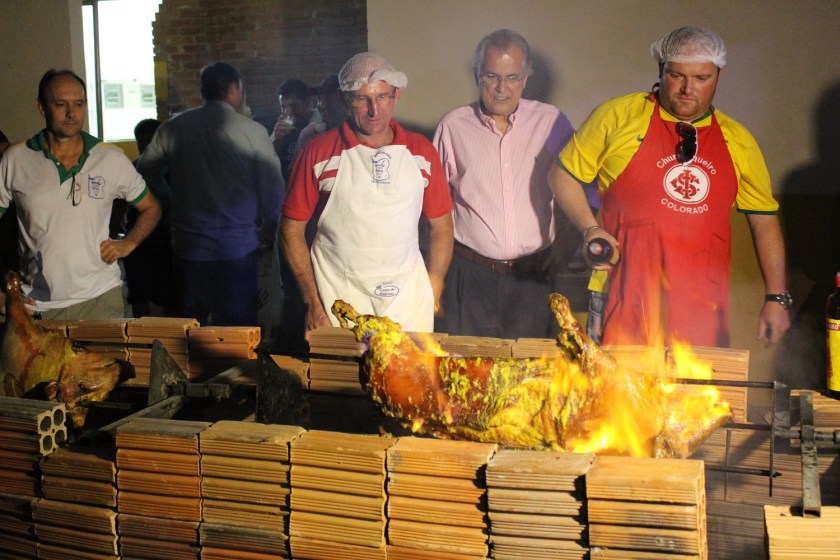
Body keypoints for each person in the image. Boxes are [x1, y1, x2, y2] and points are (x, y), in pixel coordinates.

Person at [549, 26, 791, 347]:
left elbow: (763, 219)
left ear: (719, 75)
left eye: (702, 78)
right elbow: (561, 175)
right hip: (621, 292)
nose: (688, 89)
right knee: (613, 394)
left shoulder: (738, 141)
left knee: (695, 395)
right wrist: (589, 228)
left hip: (702, 305)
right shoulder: (618, 116)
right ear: (661, 70)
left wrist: (777, 297)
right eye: (677, 76)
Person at [280, 52, 454, 336]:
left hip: (406, 300)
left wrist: (434, 282)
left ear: (396, 95)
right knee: (343, 378)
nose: (375, 110)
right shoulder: (318, 152)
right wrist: (312, 301)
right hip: (339, 297)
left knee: (407, 379)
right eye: (362, 99)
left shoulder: (421, 152)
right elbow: (290, 229)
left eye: (383, 96)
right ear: (344, 99)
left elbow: (442, 226)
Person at [433, 29, 578, 339]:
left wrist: (567, 243)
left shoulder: (552, 122)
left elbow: (583, 187)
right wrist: (436, 276)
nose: (501, 88)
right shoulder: (452, 127)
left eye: (512, 77)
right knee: (470, 374)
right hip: (469, 276)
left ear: (525, 78)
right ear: (476, 75)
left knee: (532, 377)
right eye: (491, 76)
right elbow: (432, 209)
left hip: (533, 277)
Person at [0, 69, 161, 320]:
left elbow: (151, 207)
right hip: (37, 305)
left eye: (78, 104)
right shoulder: (16, 159)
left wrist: (128, 243)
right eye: (60, 104)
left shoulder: (110, 158)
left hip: (100, 298)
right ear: (41, 107)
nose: (71, 113)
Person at [136, 62, 285, 327]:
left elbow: (144, 173)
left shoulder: (175, 127)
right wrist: (269, 228)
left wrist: (169, 199)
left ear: (202, 90)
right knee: (238, 334)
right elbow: (273, 188)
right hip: (238, 249)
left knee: (190, 333)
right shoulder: (253, 131)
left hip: (188, 249)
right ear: (235, 89)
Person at [120, 118, 177, 318]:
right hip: (140, 240)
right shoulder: (131, 171)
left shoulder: (174, 171)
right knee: (140, 294)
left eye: (149, 142)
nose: (144, 147)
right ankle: (141, 339)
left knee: (170, 294)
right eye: (141, 142)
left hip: (166, 239)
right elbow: (118, 208)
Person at [271, 78, 314, 183]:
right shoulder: (281, 127)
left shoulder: (319, 126)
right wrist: (275, 141)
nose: (288, 112)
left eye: (293, 106)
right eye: (283, 107)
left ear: (307, 103)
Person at [294, 74, 345, 158]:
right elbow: (296, 168)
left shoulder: (361, 133)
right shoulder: (309, 133)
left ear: (344, 101)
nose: (322, 104)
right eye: (319, 98)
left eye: (328, 98)